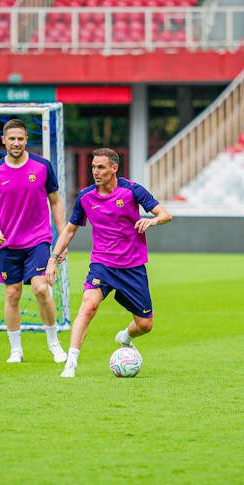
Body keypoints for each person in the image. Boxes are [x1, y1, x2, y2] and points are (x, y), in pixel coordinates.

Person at [45, 148, 172, 378]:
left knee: (145, 325)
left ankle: (125, 337)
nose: (95, 171)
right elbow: (69, 230)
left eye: (101, 167)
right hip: (102, 264)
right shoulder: (86, 197)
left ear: (114, 168)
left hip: (132, 266)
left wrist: (150, 222)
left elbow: (165, 214)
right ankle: (71, 362)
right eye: (93, 167)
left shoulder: (132, 191)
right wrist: (53, 259)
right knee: (88, 305)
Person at [0, 119, 67, 364]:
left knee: (41, 289)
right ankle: (16, 350)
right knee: (12, 294)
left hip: (38, 240)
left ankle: (54, 344)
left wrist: (62, 238)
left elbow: (56, 201)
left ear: (27, 139)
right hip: (9, 244)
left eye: (20, 138)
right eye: (12, 139)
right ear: (4, 140)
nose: (16, 143)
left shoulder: (42, 166)